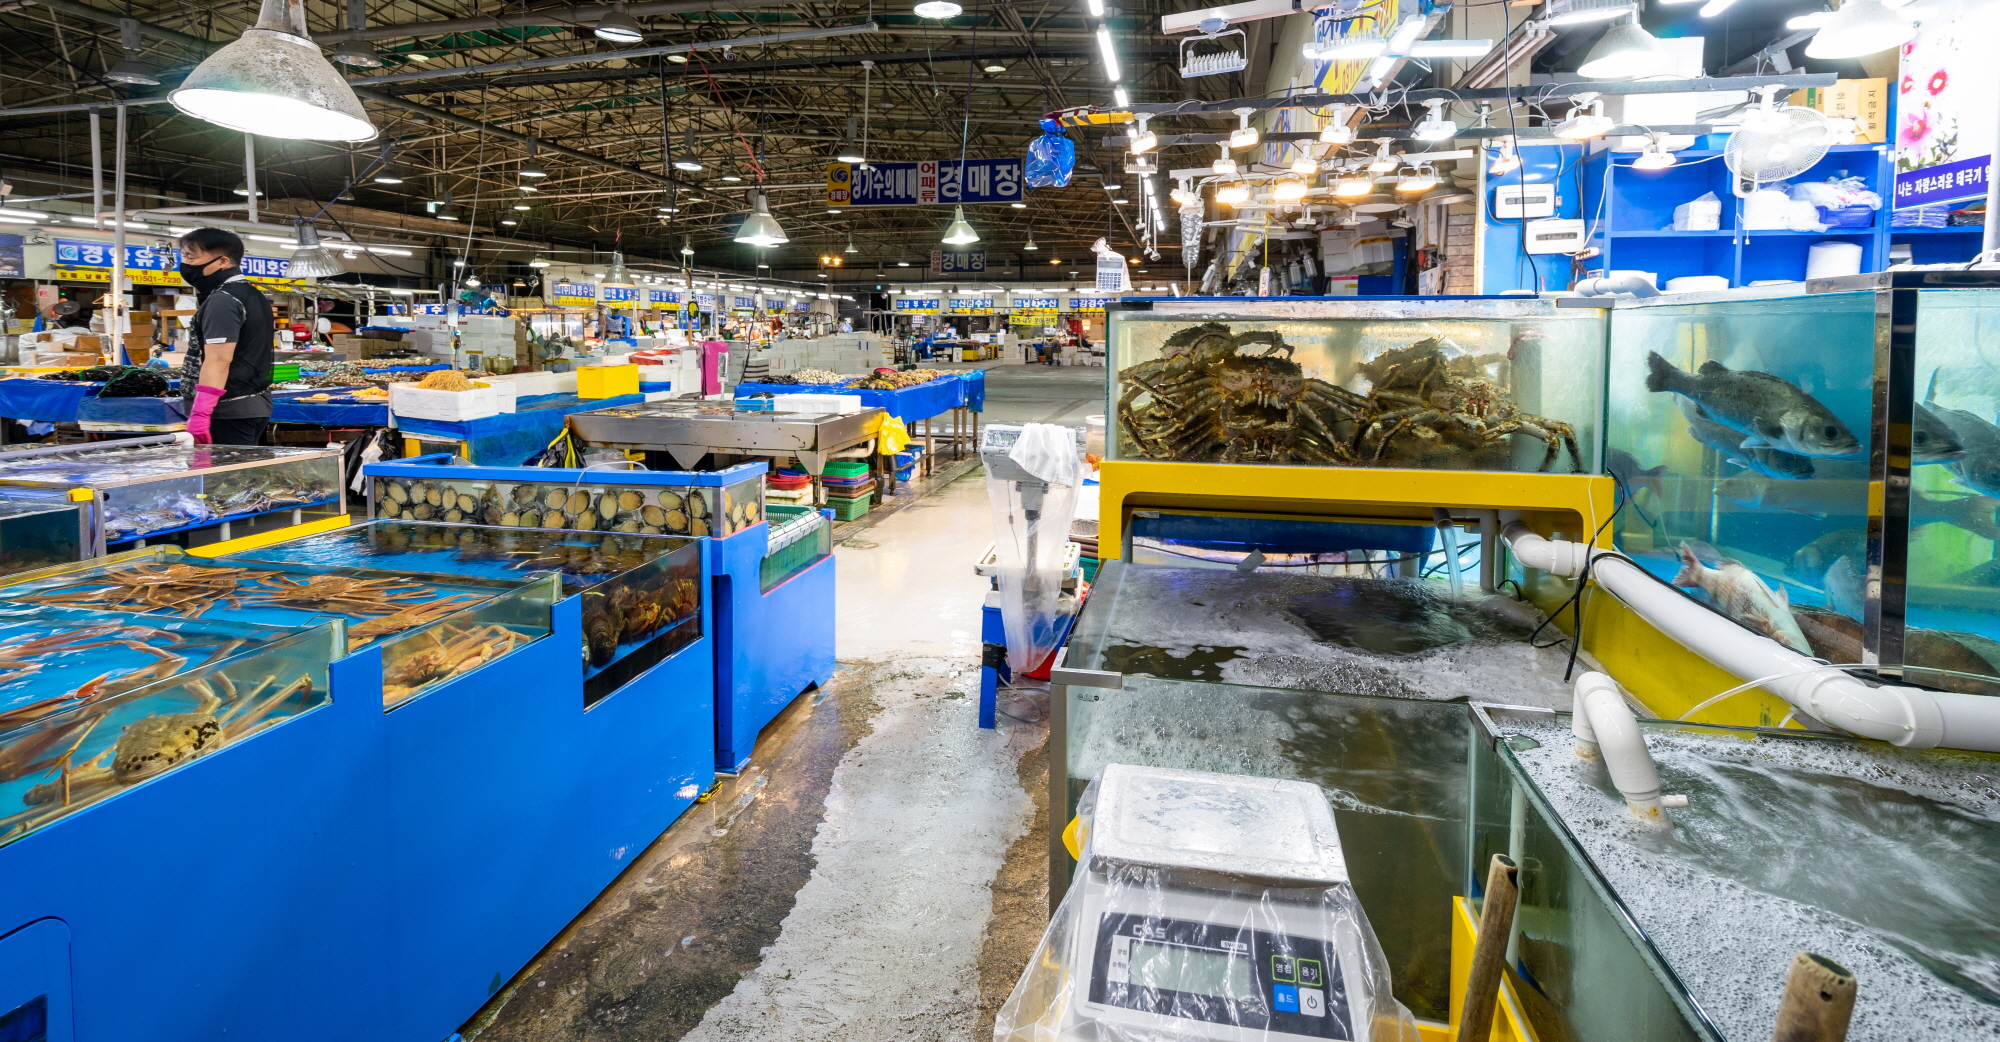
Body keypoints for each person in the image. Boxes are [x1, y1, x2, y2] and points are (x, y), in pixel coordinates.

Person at [177, 227, 275, 445]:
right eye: (184, 256)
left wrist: (201, 412)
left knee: (225, 478)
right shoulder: (252, 294)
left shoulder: (224, 299)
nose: (185, 264)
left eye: (191, 257)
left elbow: (219, 359)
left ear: (223, 261)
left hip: (228, 409)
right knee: (239, 475)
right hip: (250, 404)